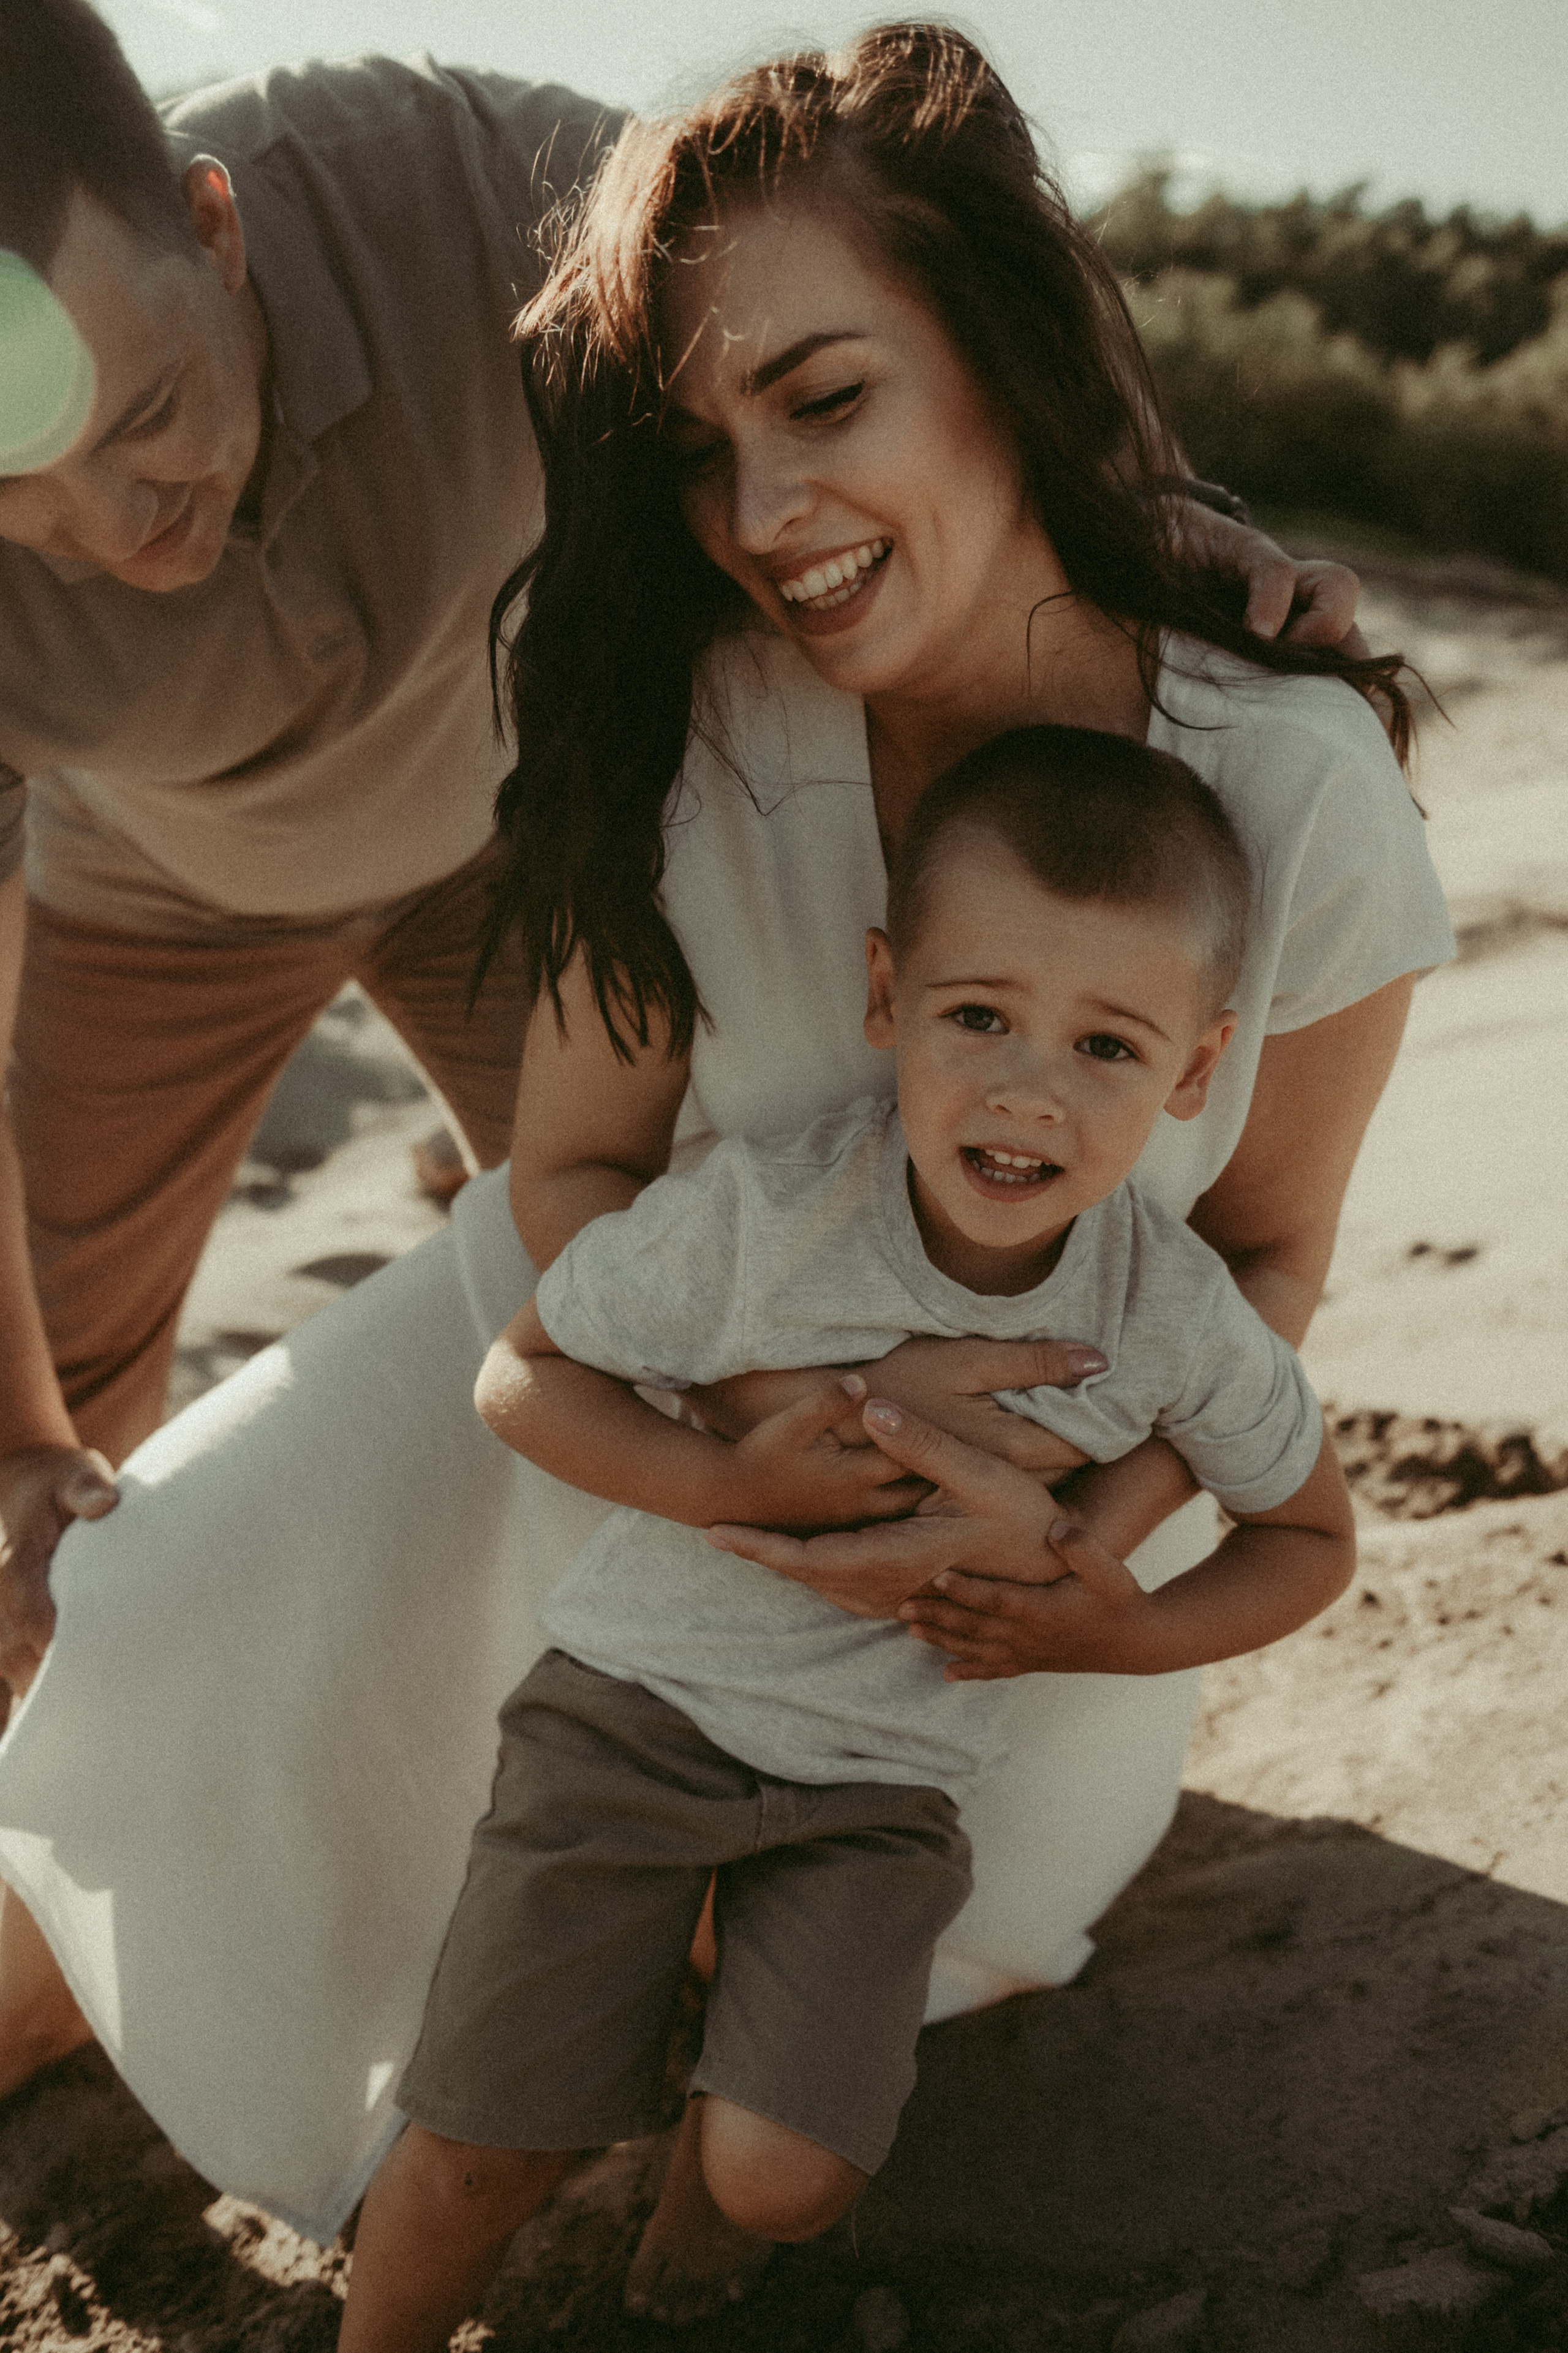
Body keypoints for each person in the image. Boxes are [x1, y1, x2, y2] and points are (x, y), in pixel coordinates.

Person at [0, 17, 1449, 2294]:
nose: (765, 513)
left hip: (997, 1588)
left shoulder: (1294, 790)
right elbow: (569, 1188)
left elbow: (1263, 1262)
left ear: (991, 336)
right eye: (699, 447)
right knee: (162, 1660)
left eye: (830, 400)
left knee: (874, 1987)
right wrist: (710, 1446)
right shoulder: (702, 721)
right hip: (616, 1394)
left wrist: (1084, 1551)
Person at [337, 726, 1357, 2349]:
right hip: (633, 1722)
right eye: (978, 1017)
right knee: (482, 2147)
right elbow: (524, 1375)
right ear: (886, 996)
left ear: (1198, 1066)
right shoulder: (762, 1215)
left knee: (786, 2174)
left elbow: (1308, 1532)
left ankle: (705, 2204)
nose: (1028, 1086)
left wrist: (1120, 1629)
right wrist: (739, 1480)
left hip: (882, 1784)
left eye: (1108, 1044)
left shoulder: (1170, 1317)